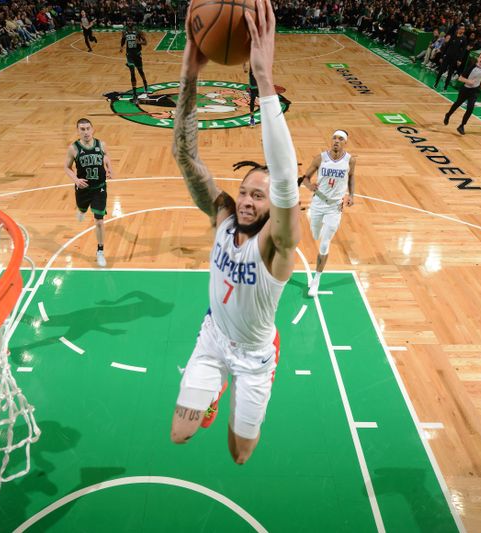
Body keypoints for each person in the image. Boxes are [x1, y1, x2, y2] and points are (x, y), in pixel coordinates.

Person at [170, 0, 300, 464]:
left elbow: (286, 181)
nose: (246, 200)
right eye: (245, 191)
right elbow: (185, 157)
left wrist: (264, 82)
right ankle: (213, 389)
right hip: (213, 339)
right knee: (179, 435)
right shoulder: (224, 216)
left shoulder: (277, 247)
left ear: (272, 208)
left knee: (239, 454)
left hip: (255, 356)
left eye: (258, 197)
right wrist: (189, 77)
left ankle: (244, 382)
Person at [300, 131, 356, 297]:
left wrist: (352, 195)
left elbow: (352, 177)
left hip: (335, 208)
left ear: (345, 143)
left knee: (325, 243)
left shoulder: (350, 161)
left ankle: (316, 280)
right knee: (315, 234)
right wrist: (310, 187)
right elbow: (305, 177)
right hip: (318, 203)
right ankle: (319, 232)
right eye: (334, 138)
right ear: (331, 140)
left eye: (340, 139)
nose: (336, 141)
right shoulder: (320, 158)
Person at [64, 118, 114, 268]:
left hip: (99, 188)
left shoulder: (101, 144)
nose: (85, 132)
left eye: (87, 129)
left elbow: (105, 156)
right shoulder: (73, 148)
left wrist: (109, 167)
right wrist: (76, 180)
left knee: (99, 221)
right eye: (82, 129)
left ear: (93, 129)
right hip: (83, 189)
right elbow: (66, 167)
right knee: (82, 208)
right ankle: (81, 210)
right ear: (78, 131)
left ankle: (100, 251)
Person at [444, 52, 481, 135]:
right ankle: (448, 115)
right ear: (478, 58)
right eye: (480, 57)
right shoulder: (471, 67)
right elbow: (460, 78)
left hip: (474, 91)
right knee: (457, 103)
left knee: (470, 108)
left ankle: (462, 126)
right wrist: (469, 81)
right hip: (465, 89)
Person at [119, 20, 149, 102]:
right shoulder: (124, 31)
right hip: (129, 55)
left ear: (133, 22)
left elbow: (145, 42)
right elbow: (123, 39)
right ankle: (134, 93)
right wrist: (121, 47)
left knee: (141, 72)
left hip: (137, 55)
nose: (129, 22)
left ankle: (145, 84)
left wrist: (139, 42)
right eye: (128, 21)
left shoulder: (138, 31)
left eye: (130, 21)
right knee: (132, 73)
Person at [433, 25, 467, 91]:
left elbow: (463, 51)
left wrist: (459, 59)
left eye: (463, 29)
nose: (462, 30)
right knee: (441, 70)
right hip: (447, 56)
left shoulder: (464, 39)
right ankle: (436, 83)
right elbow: (446, 46)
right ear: (458, 29)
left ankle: (445, 87)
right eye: (461, 29)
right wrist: (442, 56)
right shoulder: (453, 36)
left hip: (454, 59)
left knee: (450, 74)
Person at [243, 62, 259, 127]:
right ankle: (252, 119)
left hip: (259, 85)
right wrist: (244, 66)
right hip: (254, 86)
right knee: (252, 101)